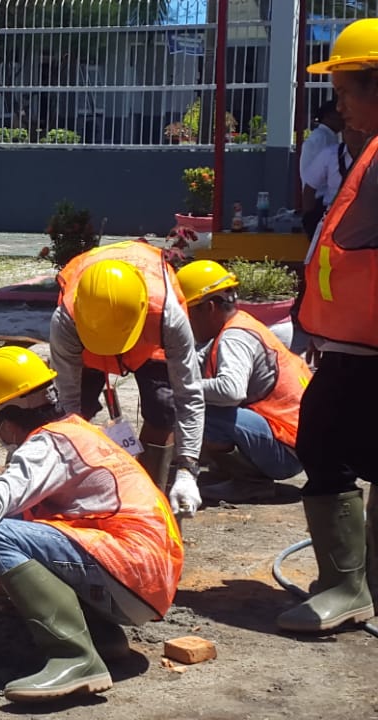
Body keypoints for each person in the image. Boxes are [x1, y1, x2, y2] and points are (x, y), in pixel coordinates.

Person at [0, 347, 183, 703]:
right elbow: (37, 497)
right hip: (146, 574)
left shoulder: (47, 445)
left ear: (7, 419)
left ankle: (75, 658)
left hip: (132, 569)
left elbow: (2, 500)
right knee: (15, 521)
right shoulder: (73, 431)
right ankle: (101, 638)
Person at [277, 18, 378, 634]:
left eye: (346, 86)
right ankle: (360, 580)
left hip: (365, 346)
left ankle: (347, 587)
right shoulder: (369, 149)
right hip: (355, 340)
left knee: (322, 443)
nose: (337, 101)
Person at [49, 240, 205, 516]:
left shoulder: (167, 314)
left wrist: (187, 469)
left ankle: (151, 498)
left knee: (163, 405)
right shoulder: (67, 320)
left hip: (148, 338)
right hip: (87, 344)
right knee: (78, 409)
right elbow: (67, 400)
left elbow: (188, 394)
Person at [175, 260, 310, 503]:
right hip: (292, 441)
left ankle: (251, 483)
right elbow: (195, 364)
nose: (185, 323)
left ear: (210, 307)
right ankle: (232, 472)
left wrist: (179, 388)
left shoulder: (234, 337)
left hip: (286, 450)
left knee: (196, 409)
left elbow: (230, 390)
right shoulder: (237, 324)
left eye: (187, 313)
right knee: (195, 401)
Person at [302, 126, 369, 240]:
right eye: (350, 131)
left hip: (364, 219)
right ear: (343, 134)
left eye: (359, 131)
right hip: (331, 216)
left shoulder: (373, 157)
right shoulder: (329, 154)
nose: (355, 136)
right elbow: (310, 187)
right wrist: (308, 218)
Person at [300, 98, 344, 233]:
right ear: (330, 116)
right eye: (340, 115)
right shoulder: (323, 139)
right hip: (320, 200)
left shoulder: (326, 136)